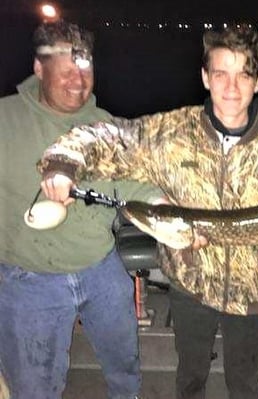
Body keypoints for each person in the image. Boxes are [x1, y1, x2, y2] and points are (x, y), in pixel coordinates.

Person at [38, 25, 258, 399]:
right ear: (205, 77)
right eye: (221, 73)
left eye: (244, 75)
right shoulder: (171, 134)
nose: (232, 87)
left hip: (253, 295)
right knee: (190, 378)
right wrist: (64, 162)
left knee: (243, 383)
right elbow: (109, 137)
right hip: (189, 289)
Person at [0, 20, 158, 399]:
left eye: (85, 67)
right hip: (29, 281)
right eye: (66, 68)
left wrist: (162, 204)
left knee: (125, 365)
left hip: (101, 268)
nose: (78, 79)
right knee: (34, 388)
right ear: (39, 68)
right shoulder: (6, 120)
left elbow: (136, 183)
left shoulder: (105, 126)